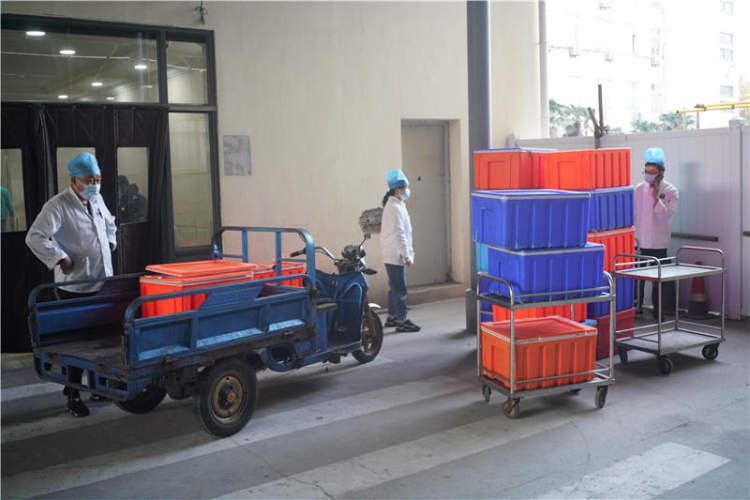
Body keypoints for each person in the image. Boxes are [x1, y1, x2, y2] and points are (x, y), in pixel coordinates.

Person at [26, 152, 118, 417]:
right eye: (88, 180)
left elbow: (110, 224)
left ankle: (97, 387)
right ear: (74, 180)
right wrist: (60, 257)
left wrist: (110, 243)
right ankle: (73, 395)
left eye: (97, 179)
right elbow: (35, 236)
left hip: (102, 281)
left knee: (99, 340)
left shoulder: (97, 199)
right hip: (74, 287)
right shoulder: (58, 205)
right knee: (77, 346)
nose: (94, 184)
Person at [634, 147, 679, 319]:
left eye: (652, 172)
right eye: (646, 171)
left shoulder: (671, 190)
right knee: (637, 278)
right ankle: (637, 307)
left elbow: (665, 215)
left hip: (658, 243)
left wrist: (655, 197)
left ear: (661, 173)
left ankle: (659, 311)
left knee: (658, 280)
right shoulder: (638, 189)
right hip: (640, 241)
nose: (649, 175)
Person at [380, 169, 420, 333]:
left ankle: (392, 316)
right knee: (400, 289)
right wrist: (406, 255)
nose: (408, 190)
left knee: (394, 287)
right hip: (395, 254)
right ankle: (402, 320)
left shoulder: (397, 204)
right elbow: (399, 234)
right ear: (398, 189)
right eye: (406, 187)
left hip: (393, 253)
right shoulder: (394, 207)